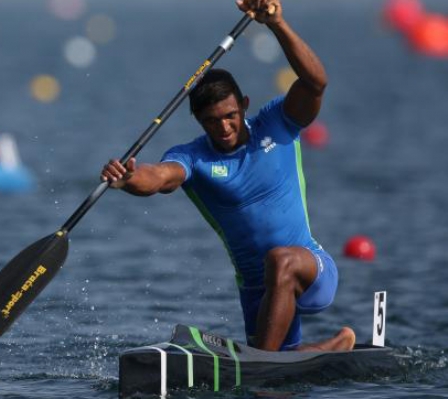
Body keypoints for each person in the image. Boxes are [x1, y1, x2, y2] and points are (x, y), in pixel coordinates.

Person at [100, 0, 356, 351]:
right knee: (282, 368)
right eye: (212, 121)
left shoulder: (277, 123)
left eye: (231, 115)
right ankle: (337, 344)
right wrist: (127, 178)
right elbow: (158, 178)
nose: (224, 127)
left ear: (245, 104)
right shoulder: (192, 158)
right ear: (198, 121)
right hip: (255, 289)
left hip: (311, 268)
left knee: (280, 260)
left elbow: (315, 83)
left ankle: (262, 364)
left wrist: (277, 24)